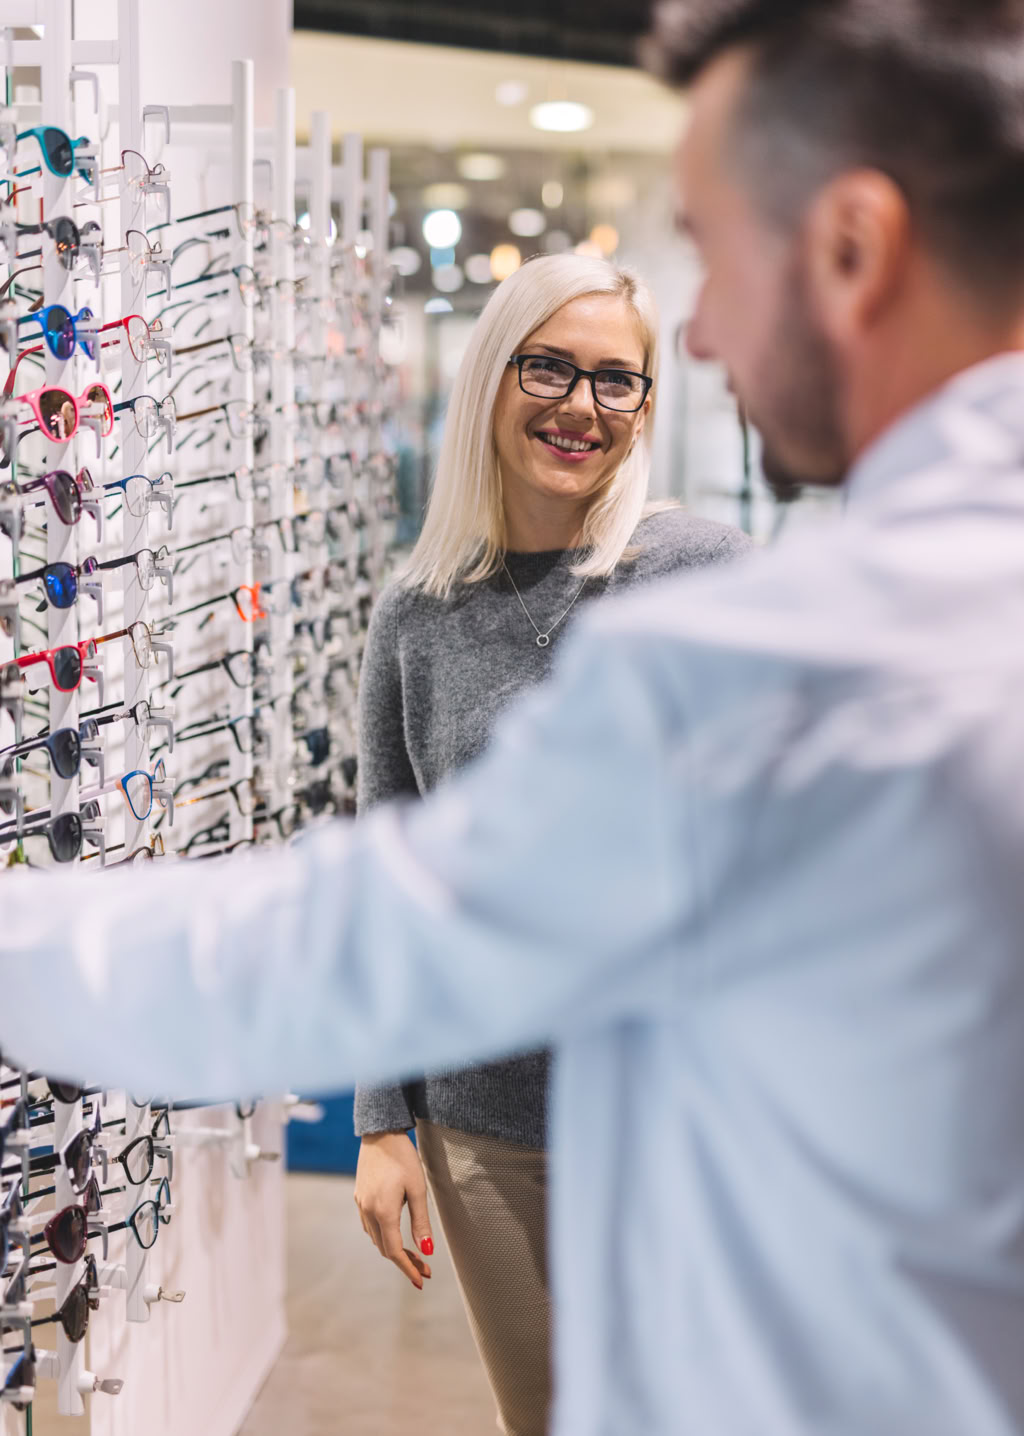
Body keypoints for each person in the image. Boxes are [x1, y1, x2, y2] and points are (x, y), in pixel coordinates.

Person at [4, 2, 1024, 1433]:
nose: (711, 333)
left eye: (712, 253)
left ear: (852, 249)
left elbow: (348, 943)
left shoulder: (771, 656)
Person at [351, 251, 749, 1436]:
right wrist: (380, 1120)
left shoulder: (701, 576)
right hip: (486, 1126)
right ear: (492, 376)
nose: (581, 407)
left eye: (616, 382)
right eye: (551, 369)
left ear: (644, 405)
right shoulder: (417, 615)